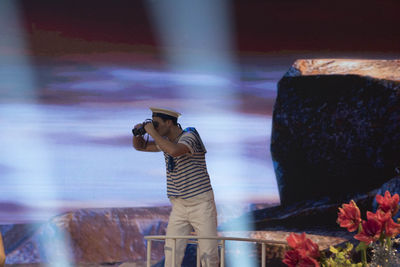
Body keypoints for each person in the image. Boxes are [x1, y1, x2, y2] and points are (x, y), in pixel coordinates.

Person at [132, 107, 219, 267]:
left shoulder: (190, 135)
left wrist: (153, 133)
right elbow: (140, 147)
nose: (155, 128)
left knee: (209, 254)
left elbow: (174, 151)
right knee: (171, 252)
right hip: (179, 204)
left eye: (157, 124)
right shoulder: (165, 142)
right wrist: (138, 133)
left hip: (201, 204)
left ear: (169, 122)